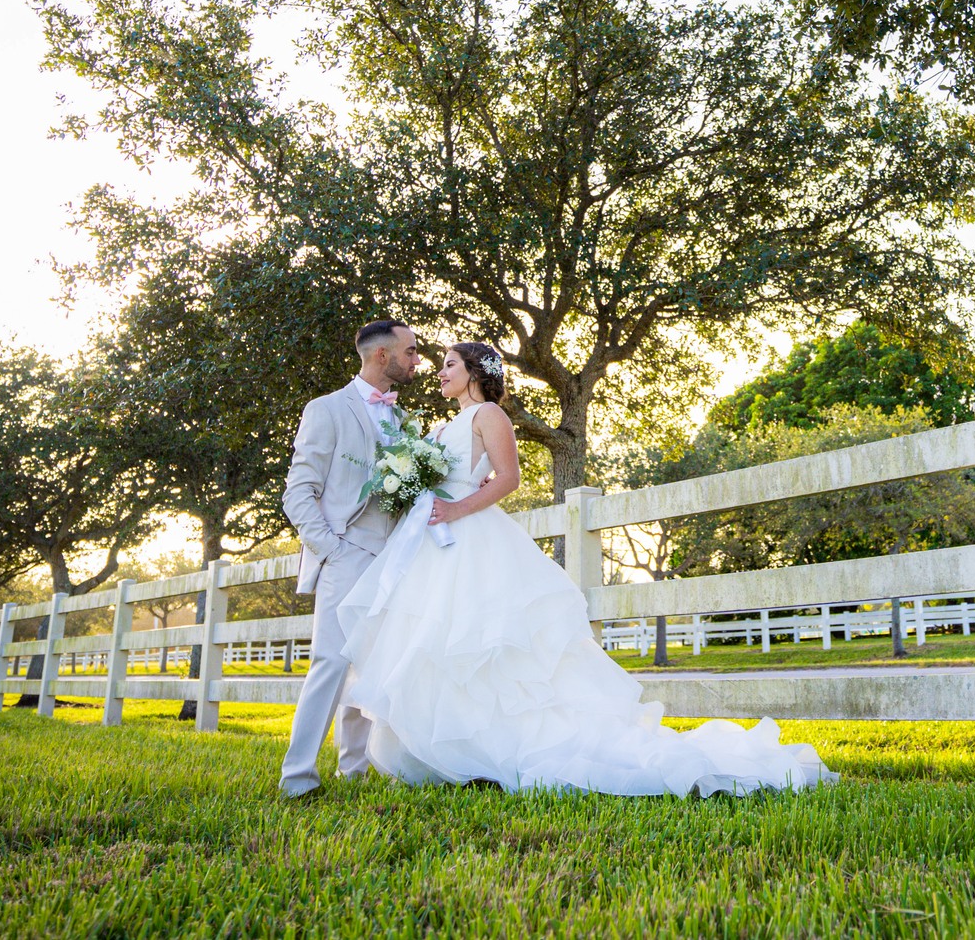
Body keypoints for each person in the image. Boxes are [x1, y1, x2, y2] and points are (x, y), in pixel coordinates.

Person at [332, 339, 835, 797]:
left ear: (475, 372)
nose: (438, 373)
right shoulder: (441, 426)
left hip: (471, 535)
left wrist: (456, 510)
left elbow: (507, 479)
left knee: (492, 644)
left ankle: (510, 747)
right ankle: (459, 755)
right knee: (440, 643)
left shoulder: (490, 416)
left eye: (448, 365)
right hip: (433, 544)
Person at [278, 317, 422, 799]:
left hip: (393, 559)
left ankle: (353, 771)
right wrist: (332, 549)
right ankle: (297, 778)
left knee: (373, 664)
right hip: (347, 552)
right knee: (330, 663)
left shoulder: (402, 420)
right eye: (411, 352)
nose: (416, 361)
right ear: (383, 355)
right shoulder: (326, 409)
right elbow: (299, 492)